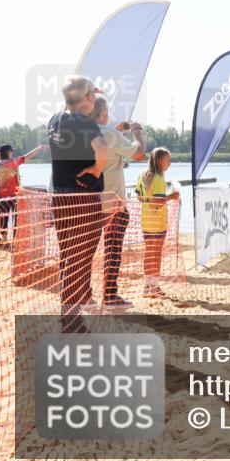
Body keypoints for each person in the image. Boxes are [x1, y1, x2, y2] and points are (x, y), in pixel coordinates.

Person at [47, 77, 110, 332]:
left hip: (60, 196)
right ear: (88, 98)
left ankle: (69, 315)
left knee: (68, 257)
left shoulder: (55, 119)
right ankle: (71, 320)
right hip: (82, 197)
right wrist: (96, 169)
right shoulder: (86, 122)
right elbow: (102, 148)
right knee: (80, 258)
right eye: (92, 94)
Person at [91, 97, 147, 309]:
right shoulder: (109, 134)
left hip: (88, 204)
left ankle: (84, 296)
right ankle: (110, 295)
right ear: (103, 113)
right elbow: (140, 153)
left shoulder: (82, 134)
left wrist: (117, 132)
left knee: (83, 254)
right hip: (113, 204)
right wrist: (136, 129)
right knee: (113, 251)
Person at [137, 147, 179, 298]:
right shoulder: (159, 179)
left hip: (146, 221)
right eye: (168, 160)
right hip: (158, 222)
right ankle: (154, 287)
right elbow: (157, 203)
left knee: (149, 254)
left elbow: (140, 198)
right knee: (156, 255)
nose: (170, 163)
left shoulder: (143, 175)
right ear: (160, 161)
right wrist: (171, 197)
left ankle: (147, 287)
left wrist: (158, 199)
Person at [0, 143, 47, 244]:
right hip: (15, 194)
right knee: (17, 218)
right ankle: (15, 241)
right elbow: (27, 156)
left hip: (2, 195)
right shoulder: (13, 162)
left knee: (4, 217)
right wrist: (40, 148)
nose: (13, 153)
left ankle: (5, 241)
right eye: (12, 151)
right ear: (8, 152)